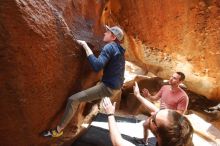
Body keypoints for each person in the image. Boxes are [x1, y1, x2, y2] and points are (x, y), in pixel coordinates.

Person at [43, 25, 126, 137]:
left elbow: (96, 66)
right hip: (115, 86)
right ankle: (94, 104)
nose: (104, 33)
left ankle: (58, 131)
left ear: (113, 37)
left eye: (107, 32)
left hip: (108, 87)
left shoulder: (109, 47)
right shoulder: (119, 49)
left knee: (73, 99)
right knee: (94, 90)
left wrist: (85, 45)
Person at [102, 97, 194, 146]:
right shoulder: (179, 136)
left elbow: (117, 142)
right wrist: (138, 95)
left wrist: (110, 114)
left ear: (155, 127)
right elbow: (156, 112)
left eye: (153, 117)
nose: (152, 112)